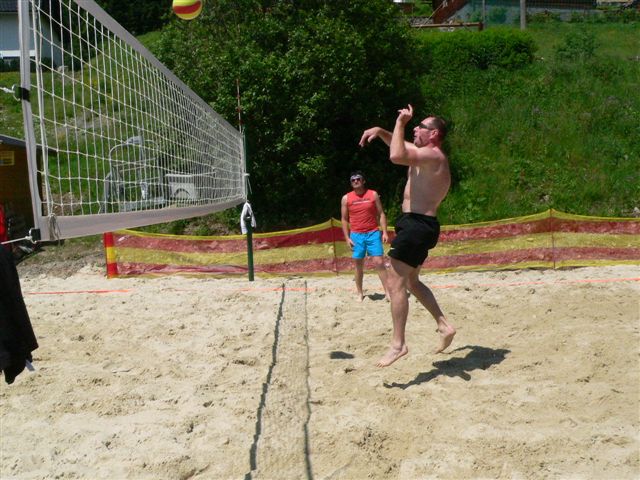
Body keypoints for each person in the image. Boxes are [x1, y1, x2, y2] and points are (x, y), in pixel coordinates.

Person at [359, 104, 456, 367]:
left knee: (395, 282)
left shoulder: (433, 156)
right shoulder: (426, 155)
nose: (415, 128)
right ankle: (444, 325)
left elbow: (396, 155)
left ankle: (398, 344)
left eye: (421, 126)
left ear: (433, 134)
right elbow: (400, 145)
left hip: (417, 226)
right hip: (417, 224)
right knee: (412, 281)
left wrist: (400, 121)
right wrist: (382, 132)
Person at [340, 171, 389, 302]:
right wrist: (347, 238)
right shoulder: (346, 198)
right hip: (356, 235)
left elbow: (381, 214)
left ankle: (388, 293)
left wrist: (384, 232)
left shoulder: (373, 194)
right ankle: (360, 293)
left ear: (363, 181)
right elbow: (344, 219)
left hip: (373, 233)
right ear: (351, 183)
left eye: (358, 179)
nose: (355, 181)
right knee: (358, 265)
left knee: (379, 262)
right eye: (353, 180)